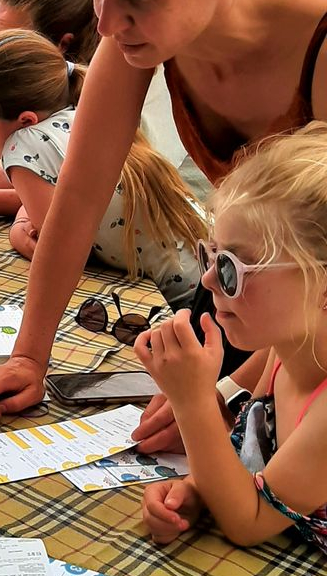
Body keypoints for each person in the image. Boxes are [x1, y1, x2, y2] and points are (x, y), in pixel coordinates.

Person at [0, 0, 327, 420]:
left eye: (137, 0)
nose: (106, 24)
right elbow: (77, 200)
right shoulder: (134, 35)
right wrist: (27, 357)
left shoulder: (318, 49)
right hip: (239, 292)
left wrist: (232, 393)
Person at [138, 124, 327, 551]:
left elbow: (250, 520)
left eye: (231, 268)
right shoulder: (283, 350)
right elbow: (248, 463)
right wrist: (197, 489)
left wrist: (192, 401)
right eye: (211, 255)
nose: (207, 280)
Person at [0, 31, 206, 309]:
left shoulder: (22, 145)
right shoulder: (75, 114)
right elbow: (50, 185)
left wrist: (17, 232)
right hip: (201, 272)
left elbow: (59, 246)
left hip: (182, 302)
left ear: (26, 121)